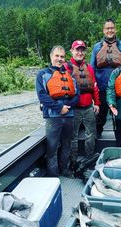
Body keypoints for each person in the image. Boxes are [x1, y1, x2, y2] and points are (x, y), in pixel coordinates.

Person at [36, 45, 79, 177]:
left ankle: (64, 170)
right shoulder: (42, 74)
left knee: (66, 145)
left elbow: (77, 96)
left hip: (69, 115)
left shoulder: (70, 76)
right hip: (52, 117)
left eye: (62, 56)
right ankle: (54, 175)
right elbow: (42, 96)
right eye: (57, 56)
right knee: (52, 148)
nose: (60, 59)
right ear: (51, 57)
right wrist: (59, 108)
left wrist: (67, 107)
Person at [90, 18, 121, 138]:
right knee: (100, 114)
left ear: (115, 29)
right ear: (103, 30)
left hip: (119, 87)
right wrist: (93, 89)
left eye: (112, 28)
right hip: (102, 87)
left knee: (120, 113)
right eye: (107, 28)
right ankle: (97, 134)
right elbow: (91, 68)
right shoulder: (97, 47)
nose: (110, 30)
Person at [68, 40, 100, 165]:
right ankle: (73, 161)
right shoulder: (66, 67)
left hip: (88, 108)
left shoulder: (89, 68)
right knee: (73, 137)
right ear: (72, 51)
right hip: (74, 108)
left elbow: (95, 87)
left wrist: (96, 103)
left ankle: (89, 159)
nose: (80, 53)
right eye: (77, 50)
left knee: (91, 134)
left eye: (82, 50)